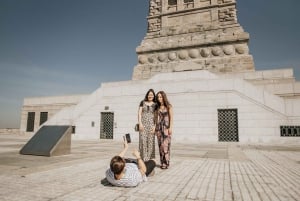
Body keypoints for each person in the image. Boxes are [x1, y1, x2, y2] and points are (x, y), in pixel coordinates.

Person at [155, 91, 173, 169]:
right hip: (159, 128)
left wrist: (170, 128)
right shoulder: (157, 108)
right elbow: (156, 119)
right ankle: (162, 163)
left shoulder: (169, 106)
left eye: (161, 97)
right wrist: (155, 129)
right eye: (158, 97)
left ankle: (166, 163)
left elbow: (171, 118)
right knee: (160, 146)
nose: (159, 99)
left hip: (166, 128)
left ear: (163, 97)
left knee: (166, 146)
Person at [138, 89, 157, 161]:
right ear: (147, 95)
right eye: (149, 94)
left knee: (150, 141)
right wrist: (140, 123)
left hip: (151, 125)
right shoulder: (142, 102)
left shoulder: (155, 104)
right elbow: (139, 113)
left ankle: (149, 159)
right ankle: (143, 158)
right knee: (143, 140)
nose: (150, 96)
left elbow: (156, 116)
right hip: (143, 124)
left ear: (153, 96)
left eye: (152, 95)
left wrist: (155, 126)